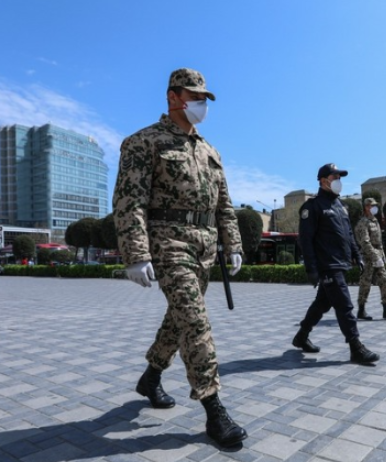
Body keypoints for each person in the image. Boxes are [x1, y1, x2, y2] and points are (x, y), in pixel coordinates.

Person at [112, 68, 247, 448]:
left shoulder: (209, 150)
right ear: (173, 96)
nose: (202, 104)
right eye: (195, 96)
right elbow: (129, 200)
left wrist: (232, 243)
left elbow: (225, 205)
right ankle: (213, 407)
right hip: (168, 242)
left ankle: (151, 375)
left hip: (205, 246)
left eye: (204, 98)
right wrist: (136, 253)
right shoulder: (144, 142)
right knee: (195, 320)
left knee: (179, 319)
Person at [292, 163, 380, 364]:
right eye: (335, 178)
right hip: (327, 265)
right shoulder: (312, 207)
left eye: (340, 178)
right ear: (323, 181)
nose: (339, 182)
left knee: (322, 303)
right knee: (344, 304)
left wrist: (356, 255)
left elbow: (348, 235)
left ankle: (301, 336)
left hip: (340, 263)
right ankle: (356, 347)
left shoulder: (340, 206)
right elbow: (305, 240)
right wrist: (311, 268)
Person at [355, 198, 386, 320]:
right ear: (367, 207)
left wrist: (382, 256)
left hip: (378, 255)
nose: (375, 207)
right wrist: (374, 256)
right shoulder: (363, 222)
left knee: (385, 281)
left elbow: (379, 242)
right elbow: (364, 242)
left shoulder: (375, 221)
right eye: (373, 205)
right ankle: (361, 310)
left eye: (376, 205)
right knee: (366, 284)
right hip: (368, 256)